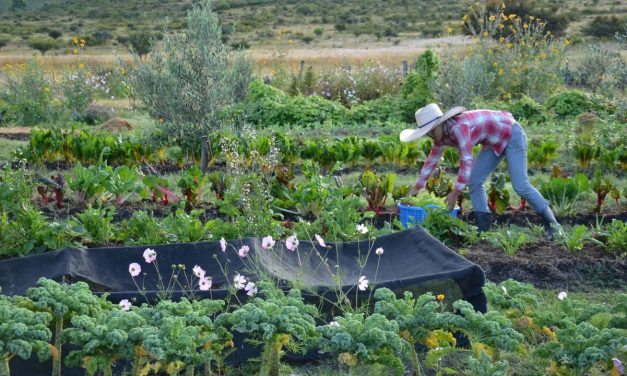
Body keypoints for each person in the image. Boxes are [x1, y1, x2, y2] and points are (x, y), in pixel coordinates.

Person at [400, 103, 561, 239]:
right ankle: (483, 228)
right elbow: (431, 161)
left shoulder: (458, 128)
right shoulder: (440, 136)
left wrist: (456, 192)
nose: (430, 135)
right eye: (427, 133)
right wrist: (417, 187)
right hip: (492, 142)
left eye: (432, 130)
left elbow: (466, 161)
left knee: (520, 185)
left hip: (512, 134)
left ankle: (554, 225)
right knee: (474, 182)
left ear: (441, 123)